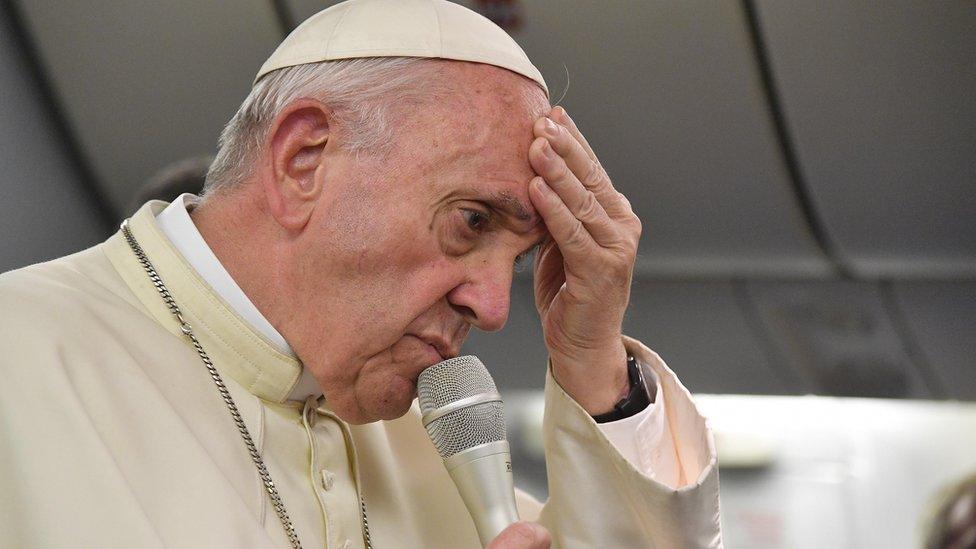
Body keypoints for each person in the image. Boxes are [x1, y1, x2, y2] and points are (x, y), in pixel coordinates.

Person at [0, 1, 721, 547]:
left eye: (521, 258)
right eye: (472, 221)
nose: (496, 308)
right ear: (302, 160)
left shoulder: (443, 461)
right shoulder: (18, 359)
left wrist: (596, 367)